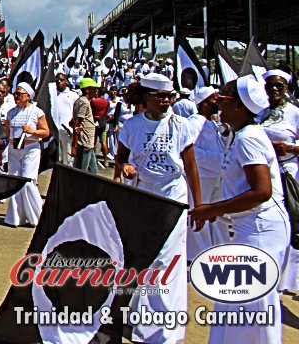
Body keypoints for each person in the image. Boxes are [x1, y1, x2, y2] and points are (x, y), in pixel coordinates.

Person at [190, 76, 288, 344]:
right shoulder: (238, 135)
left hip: (261, 229)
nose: (218, 106)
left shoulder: (248, 139)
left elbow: (261, 192)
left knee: (254, 305)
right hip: (250, 226)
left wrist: (212, 209)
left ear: (238, 106)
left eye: (222, 100)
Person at [115, 73, 201, 344]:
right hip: (144, 195)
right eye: (160, 96)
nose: (166, 101)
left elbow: (190, 167)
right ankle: (143, 320)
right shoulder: (132, 126)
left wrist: (198, 205)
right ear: (146, 98)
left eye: (169, 96)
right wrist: (125, 168)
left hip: (173, 197)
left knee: (166, 260)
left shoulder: (181, 125)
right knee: (147, 257)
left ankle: (162, 329)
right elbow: (121, 159)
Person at [256, 68, 299, 294]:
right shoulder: (258, 113)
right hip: (259, 174)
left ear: (287, 89)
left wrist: (289, 147)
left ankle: (286, 279)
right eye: (270, 85)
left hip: (287, 174)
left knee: (287, 221)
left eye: (279, 85)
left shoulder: (294, 113)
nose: (273, 89)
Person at [186, 86, 226, 260]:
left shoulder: (212, 123)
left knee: (217, 216)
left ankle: (219, 250)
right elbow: (190, 150)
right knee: (199, 212)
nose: (217, 102)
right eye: (214, 99)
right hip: (202, 176)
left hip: (215, 176)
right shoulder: (194, 122)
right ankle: (198, 254)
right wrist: (216, 159)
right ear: (203, 104)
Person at [4, 82, 49, 227]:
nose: (16, 97)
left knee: (28, 181)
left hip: (30, 149)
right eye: (15, 94)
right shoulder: (11, 112)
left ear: (28, 96)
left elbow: (46, 132)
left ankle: (36, 216)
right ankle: (16, 217)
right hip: (14, 149)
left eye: (19, 94)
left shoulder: (37, 112)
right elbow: (7, 133)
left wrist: (32, 131)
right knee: (15, 181)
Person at [71, 78, 100, 173]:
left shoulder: (81, 101)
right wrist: (74, 145)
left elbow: (72, 121)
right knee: (81, 172)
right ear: (87, 89)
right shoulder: (84, 102)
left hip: (88, 142)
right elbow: (77, 123)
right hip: (84, 142)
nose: (96, 91)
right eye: (94, 88)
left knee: (93, 172)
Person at [50, 72, 78, 167]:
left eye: (61, 80)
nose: (59, 82)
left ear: (66, 81)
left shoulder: (73, 95)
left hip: (66, 130)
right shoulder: (52, 95)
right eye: (56, 80)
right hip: (54, 130)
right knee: (58, 158)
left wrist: (73, 128)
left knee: (68, 157)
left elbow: (76, 113)